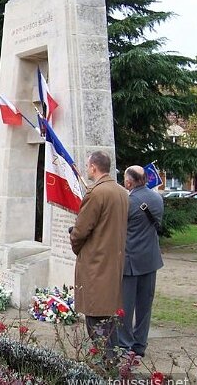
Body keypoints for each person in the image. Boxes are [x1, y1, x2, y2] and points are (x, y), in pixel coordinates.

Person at [69, 151, 128, 360]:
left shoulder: (96, 193)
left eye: (88, 165)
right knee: (108, 315)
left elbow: (81, 230)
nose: (86, 168)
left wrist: (76, 246)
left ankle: (106, 362)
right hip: (112, 261)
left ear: (94, 167)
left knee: (95, 316)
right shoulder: (121, 192)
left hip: (96, 262)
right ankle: (111, 357)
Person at [118, 165, 164, 357]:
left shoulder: (128, 202)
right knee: (145, 306)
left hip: (130, 260)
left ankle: (125, 344)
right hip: (150, 259)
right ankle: (140, 345)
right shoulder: (157, 198)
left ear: (129, 182)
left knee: (126, 307)